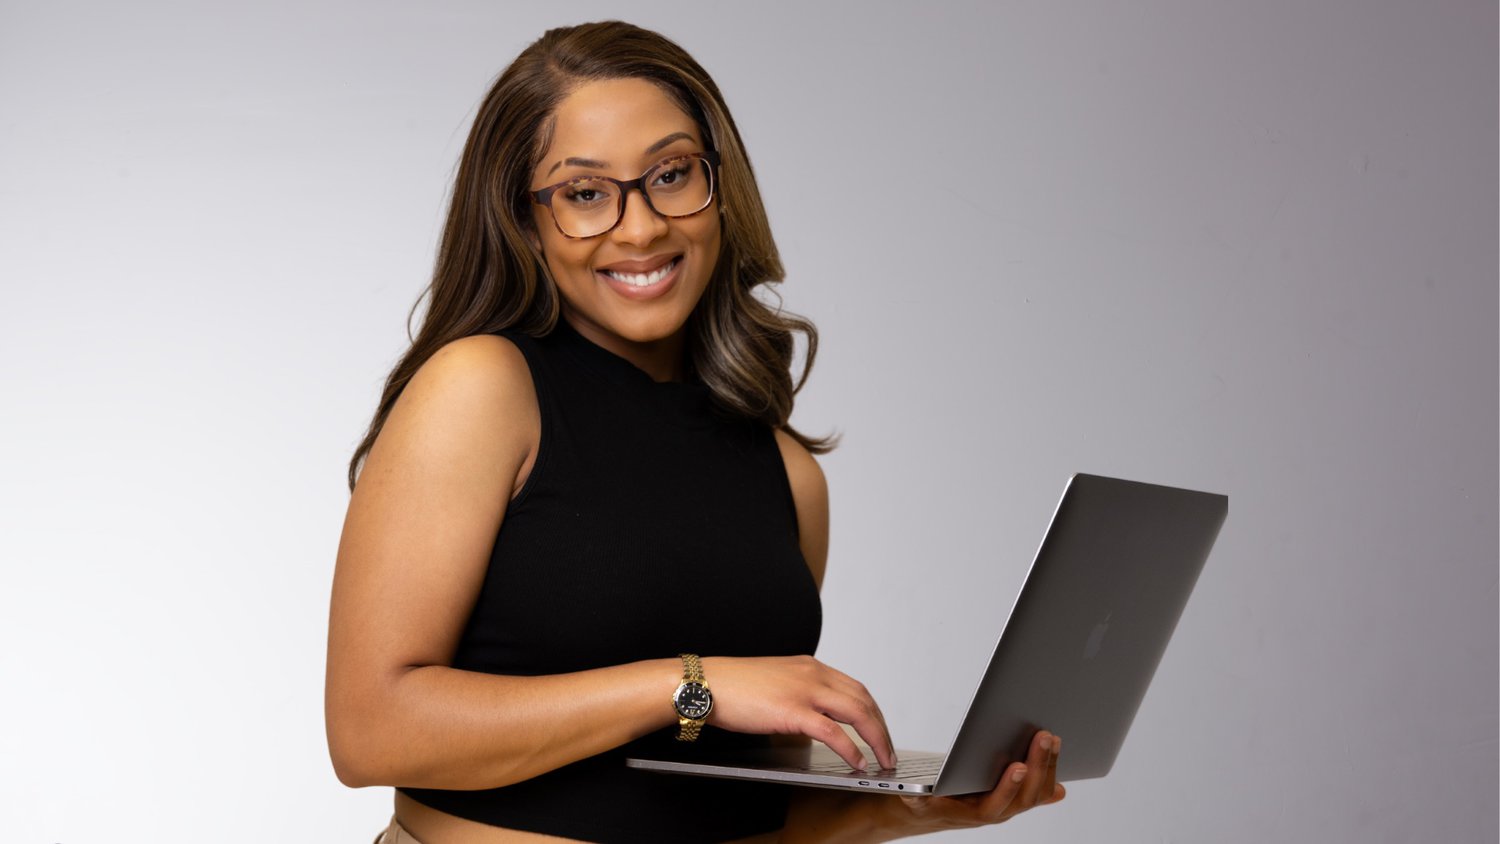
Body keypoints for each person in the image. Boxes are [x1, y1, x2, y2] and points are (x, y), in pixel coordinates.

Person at [325, 20, 1065, 844]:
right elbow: (369, 730)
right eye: (584, 192)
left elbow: (741, 809)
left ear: (721, 186)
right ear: (524, 221)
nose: (640, 228)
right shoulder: (485, 389)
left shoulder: (786, 472)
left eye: (672, 175)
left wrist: (917, 804)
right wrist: (692, 686)